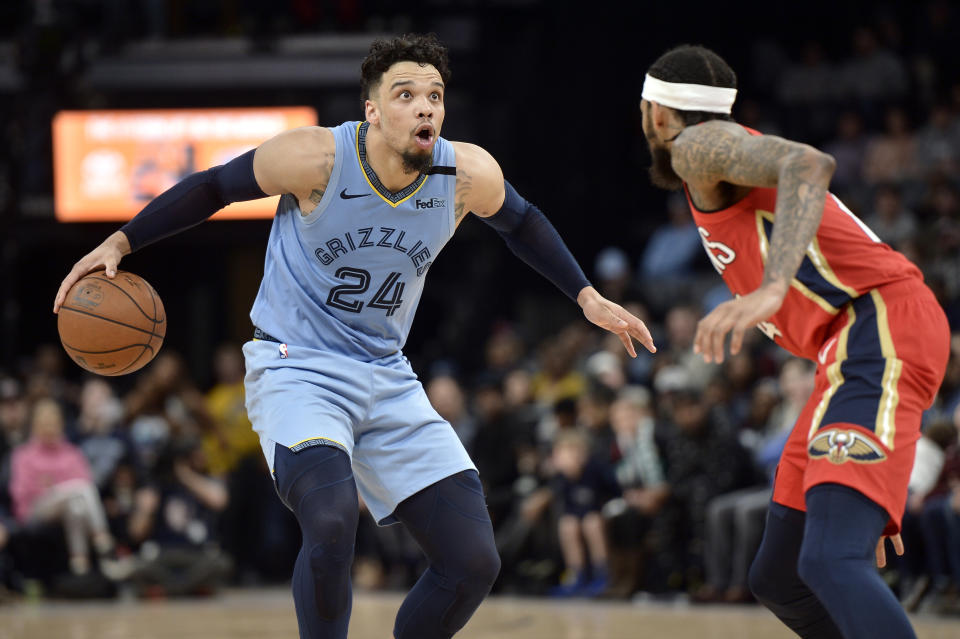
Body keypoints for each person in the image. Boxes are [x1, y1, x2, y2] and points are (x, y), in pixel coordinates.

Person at [54, 33, 654, 639]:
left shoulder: (465, 172)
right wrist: (121, 242)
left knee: (472, 561)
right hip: (297, 366)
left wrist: (587, 296)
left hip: (386, 372)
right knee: (333, 522)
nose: (425, 107)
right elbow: (212, 187)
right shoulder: (317, 159)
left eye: (435, 96)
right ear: (372, 110)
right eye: (406, 95)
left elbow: (522, 222)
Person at [639, 44, 949, 639]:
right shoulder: (716, 162)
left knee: (830, 560)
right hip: (848, 349)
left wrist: (773, 285)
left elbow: (808, 163)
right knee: (782, 573)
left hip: (877, 325)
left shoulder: (694, 146)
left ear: (656, 113)